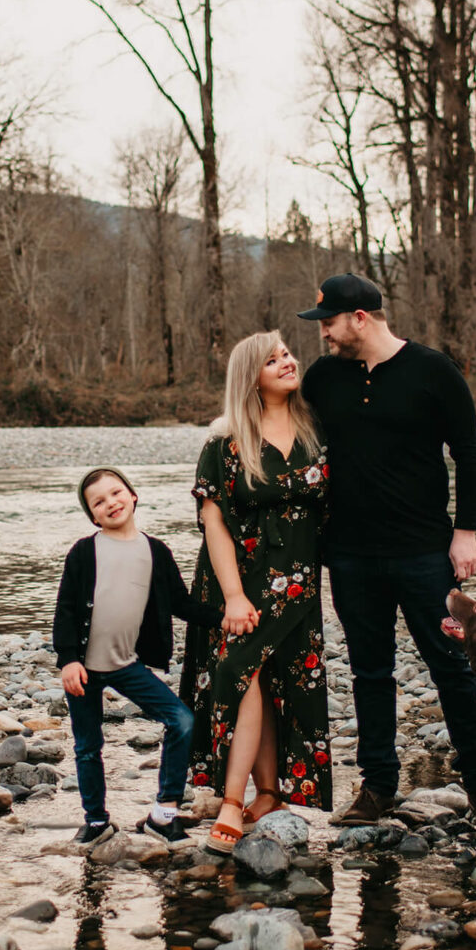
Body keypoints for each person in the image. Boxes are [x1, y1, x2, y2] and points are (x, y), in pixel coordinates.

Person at [298, 273, 476, 830]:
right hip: (350, 555)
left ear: (360, 317)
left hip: (422, 552)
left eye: (330, 323)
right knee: (370, 673)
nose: (324, 335)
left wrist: (465, 531)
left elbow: (470, 454)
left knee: (453, 669)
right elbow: (290, 436)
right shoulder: (323, 378)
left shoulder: (434, 371)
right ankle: (378, 786)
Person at [181, 331, 334, 854]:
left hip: (299, 581)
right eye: (273, 360)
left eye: (288, 353)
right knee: (237, 672)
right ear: (251, 377)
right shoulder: (224, 443)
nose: (288, 362)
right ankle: (230, 800)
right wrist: (233, 597)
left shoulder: (317, 430)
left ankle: (269, 794)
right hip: (240, 580)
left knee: (278, 680)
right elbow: (214, 524)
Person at [52, 466, 217, 847]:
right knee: (88, 747)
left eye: (116, 493)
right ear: (92, 515)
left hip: (127, 665)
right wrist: (68, 660)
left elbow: (182, 604)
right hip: (84, 671)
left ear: (133, 494)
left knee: (182, 721)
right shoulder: (84, 551)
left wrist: (224, 619)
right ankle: (96, 821)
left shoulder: (155, 550)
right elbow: (66, 610)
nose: (111, 503)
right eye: (99, 501)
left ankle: (164, 813)